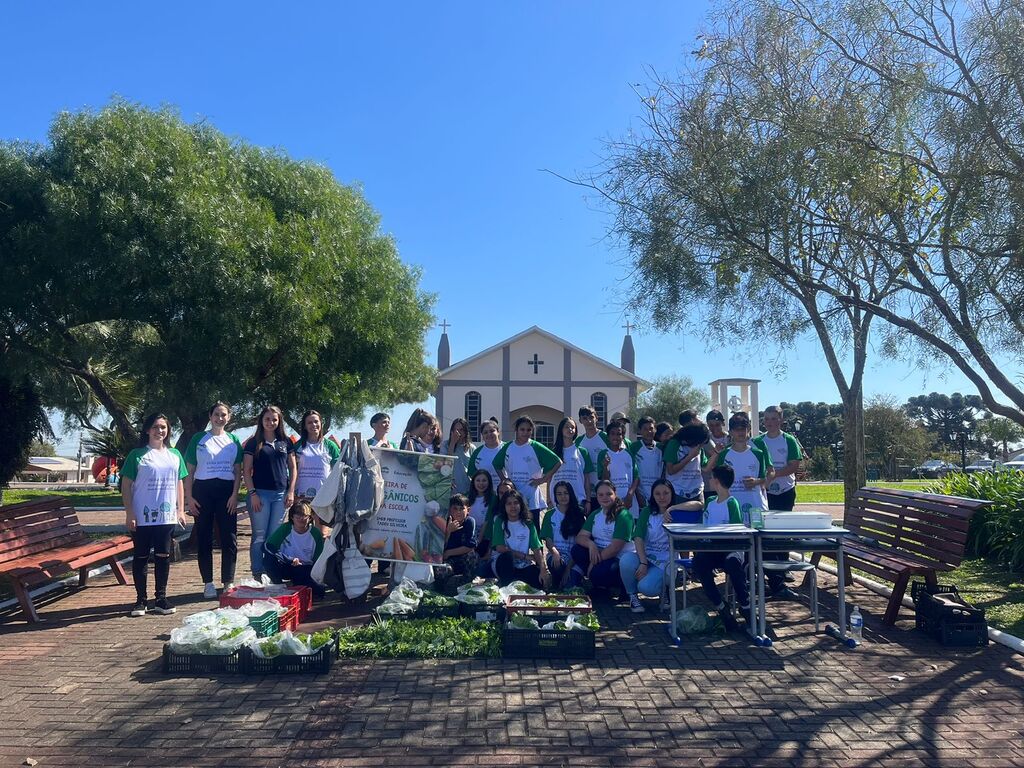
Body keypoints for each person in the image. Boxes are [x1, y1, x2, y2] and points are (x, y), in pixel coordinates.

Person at [121, 413, 188, 616]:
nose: (160, 431)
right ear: (148, 430)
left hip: (166, 518)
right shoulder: (137, 455)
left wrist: (180, 509)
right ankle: (141, 600)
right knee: (140, 556)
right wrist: (130, 512)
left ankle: (161, 598)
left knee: (162, 556)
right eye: (156, 427)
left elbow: (180, 482)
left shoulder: (175, 455)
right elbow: (126, 485)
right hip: (142, 516)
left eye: (164, 427)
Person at [676, 464, 749, 632]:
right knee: (699, 564)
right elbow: (704, 526)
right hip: (712, 549)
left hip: (730, 548)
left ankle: (745, 605)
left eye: (711, 478)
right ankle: (721, 606)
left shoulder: (732, 503)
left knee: (733, 564)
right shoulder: (709, 501)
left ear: (716, 481)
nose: (709, 480)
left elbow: (735, 531)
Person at [184, 401, 243, 600]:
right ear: (210, 417)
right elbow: (189, 470)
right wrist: (189, 497)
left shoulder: (233, 440)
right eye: (217, 414)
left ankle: (228, 581)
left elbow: (237, 471)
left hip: (226, 492)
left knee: (229, 538)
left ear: (229, 418)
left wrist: (234, 495)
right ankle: (208, 582)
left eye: (224, 415)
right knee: (204, 537)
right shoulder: (199, 439)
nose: (220, 418)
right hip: (203, 491)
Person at [753, 405, 804, 599]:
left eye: (774, 418)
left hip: (785, 491)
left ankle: (782, 569)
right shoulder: (757, 441)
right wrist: (764, 480)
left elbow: (794, 465)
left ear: (781, 420)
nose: (770, 422)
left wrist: (774, 475)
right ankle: (763, 570)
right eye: (767, 418)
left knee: (783, 532)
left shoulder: (789, 440)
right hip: (764, 493)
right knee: (764, 532)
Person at [243, 405, 298, 581]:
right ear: (261, 420)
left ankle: (271, 570)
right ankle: (258, 571)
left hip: (281, 495)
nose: (271, 422)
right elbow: (246, 470)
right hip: (260, 494)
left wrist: (291, 492)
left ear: (279, 421)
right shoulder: (254, 442)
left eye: (274, 419)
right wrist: (252, 494)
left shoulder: (286, 441)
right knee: (259, 535)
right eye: (267, 419)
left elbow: (293, 468)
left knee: (274, 536)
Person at [619, 478, 676, 614]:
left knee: (646, 588)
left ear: (672, 494)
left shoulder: (677, 512)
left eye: (666, 493)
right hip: (647, 556)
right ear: (652, 495)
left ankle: (664, 590)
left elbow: (698, 504)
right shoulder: (647, 511)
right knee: (626, 560)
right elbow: (638, 537)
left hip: (666, 561)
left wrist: (673, 508)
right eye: (657, 494)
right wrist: (643, 562)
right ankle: (632, 596)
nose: (662, 497)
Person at [708, 412, 772, 525]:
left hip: (755, 506)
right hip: (732, 505)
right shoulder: (724, 454)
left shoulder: (758, 454)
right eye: (737, 430)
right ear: (731, 432)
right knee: (734, 538)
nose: (740, 433)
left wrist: (756, 481)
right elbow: (719, 481)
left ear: (748, 430)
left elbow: (764, 478)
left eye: (743, 429)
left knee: (757, 537)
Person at [572, 480, 634, 595]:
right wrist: (591, 545)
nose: (604, 497)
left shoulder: (624, 515)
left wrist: (593, 563)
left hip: (618, 557)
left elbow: (615, 548)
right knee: (577, 550)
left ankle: (620, 586)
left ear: (615, 494)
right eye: (600, 495)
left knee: (597, 572)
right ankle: (599, 583)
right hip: (600, 553)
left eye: (609, 494)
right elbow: (580, 537)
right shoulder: (596, 514)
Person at [493, 415, 562, 513]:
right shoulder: (508, 447)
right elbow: (496, 464)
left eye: (528, 430)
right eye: (522, 429)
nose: (525, 433)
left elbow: (558, 462)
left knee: (533, 525)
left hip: (531, 495)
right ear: (516, 430)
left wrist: (542, 480)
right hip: (513, 495)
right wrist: (504, 479)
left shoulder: (536, 446)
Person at [264, 501, 326, 598]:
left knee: (318, 591)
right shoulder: (285, 528)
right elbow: (268, 546)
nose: (301, 519)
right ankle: (278, 584)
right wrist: (288, 559)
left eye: (305, 516)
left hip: (305, 568)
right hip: (286, 564)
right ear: (292, 517)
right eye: (298, 516)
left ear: (310, 517)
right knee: (268, 558)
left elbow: (319, 558)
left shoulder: (315, 533)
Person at [490, 489, 547, 588]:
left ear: (521, 505)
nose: (513, 506)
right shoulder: (500, 521)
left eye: (516, 503)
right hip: (503, 562)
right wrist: (524, 556)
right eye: (509, 504)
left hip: (522, 565)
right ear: (504, 506)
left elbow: (537, 549)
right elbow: (500, 547)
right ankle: (505, 588)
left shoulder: (528, 523)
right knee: (507, 556)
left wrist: (543, 570)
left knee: (537, 577)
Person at [539, 481, 587, 590]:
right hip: (557, 555)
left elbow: (580, 546)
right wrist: (555, 552)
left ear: (571, 494)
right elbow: (548, 539)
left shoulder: (579, 514)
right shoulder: (550, 515)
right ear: (555, 496)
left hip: (574, 558)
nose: (563, 496)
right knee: (557, 564)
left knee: (571, 587)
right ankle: (557, 579)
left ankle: (570, 579)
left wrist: (568, 570)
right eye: (559, 494)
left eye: (566, 493)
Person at [294, 409, 341, 501]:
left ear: (321, 424)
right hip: (301, 495)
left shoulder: (330, 446)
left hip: (324, 495)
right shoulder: (297, 446)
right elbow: (292, 469)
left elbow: (337, 469)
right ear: (305, 426)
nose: (314, 425)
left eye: (316, 421)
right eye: (310, 423)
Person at [547, 417, 593, 512]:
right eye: (566, 427)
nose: (570, 429)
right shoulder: (553, 452)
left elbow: (587, 479)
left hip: (578, 500)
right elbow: (549, 478)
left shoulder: (582, 451)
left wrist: (588, 501)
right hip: (557, 501)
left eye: (573, 427)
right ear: (561, 430)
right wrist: (549, 500)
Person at [597, 420, 641, 518]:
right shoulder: (603, 454)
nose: (615, 437)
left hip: (629, 501)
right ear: (608, 436)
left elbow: (636, 478)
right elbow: (604, 480)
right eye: (612, 434)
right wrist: (605, 466)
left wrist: (630, 494)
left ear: (623, 436)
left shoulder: (628, 454)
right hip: (611, 501)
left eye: (619, 434)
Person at [436, 493, 478, 589]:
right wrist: (448, 531)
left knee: (473, 556)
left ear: (468, 510)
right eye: (455, 509)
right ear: (450, 510)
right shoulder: (444, 522)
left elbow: (470, 546)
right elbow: (439, 547)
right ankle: (442, 589)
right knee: (441, 570)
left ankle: (468, 584)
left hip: (462, 557)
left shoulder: (469, 522)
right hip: (448, 560)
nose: (458, 512)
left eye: (461, 509)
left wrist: (449, 552)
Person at [663, 420, 709, 503]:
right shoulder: (674, 444)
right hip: (677, 492)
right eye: (700, 443)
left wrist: (716, 453)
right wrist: (690, 457)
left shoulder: (699, 448)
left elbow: (705, 468)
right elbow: (671, 470)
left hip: (697, 492)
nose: (701, 445)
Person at [576, 405, 610, 504]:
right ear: (580, 420)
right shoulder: (578, 441)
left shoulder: (606, 438)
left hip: (605, 491)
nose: (589, 421)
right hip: (586, 492)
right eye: (585, 418)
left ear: (596, 418)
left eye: (591, 417)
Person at [629, 415, 664, 508]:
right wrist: (637, 494)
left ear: (655, 430)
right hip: (640, 494)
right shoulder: (634, 447)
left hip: (658, 494)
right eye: (645, 429)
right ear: (640, 431)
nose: (649, 431)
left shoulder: (661, 447)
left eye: (651, 428)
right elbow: (631, 473)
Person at [467, 469, 498, 559]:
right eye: (478, 480)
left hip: (484, 538)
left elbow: (487, 522)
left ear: (489, 482)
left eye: (484, 480)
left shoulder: (493, 499)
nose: (481, 484)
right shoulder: (467, 497)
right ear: (473, 482)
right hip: (469, 535)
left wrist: (477, 542)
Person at [468, 419, 505, 488]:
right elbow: (472, 474)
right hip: (485, 494)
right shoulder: (477, 452)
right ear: (482, 435)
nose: (489, 434)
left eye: (492, 431)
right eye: (485, 432)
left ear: (498, 432)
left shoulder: (507, 448)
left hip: (505, 493)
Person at [442, 417, 475, 495]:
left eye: (461, 430)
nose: (458, 433)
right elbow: (446, 463)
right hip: (451, 488)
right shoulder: (445, 445)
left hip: (467, 488)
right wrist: (453, 443)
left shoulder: (471, 447)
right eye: (455, 430)